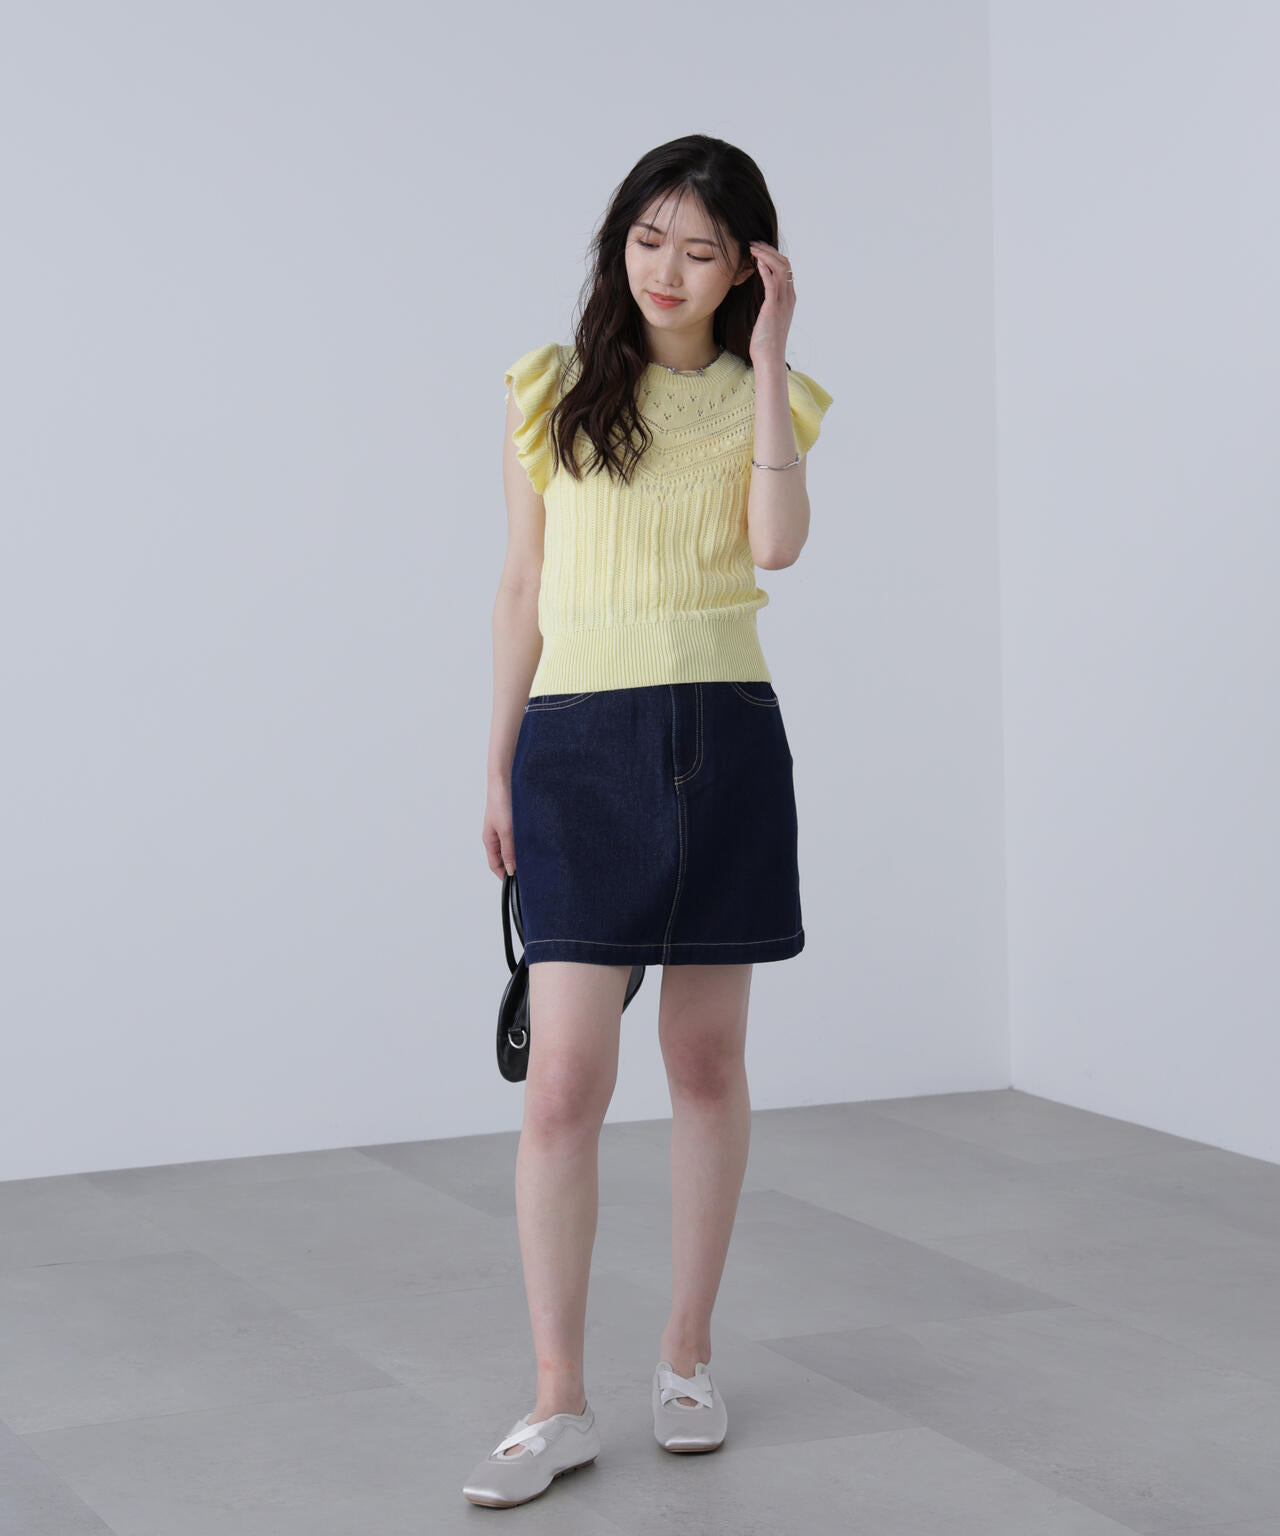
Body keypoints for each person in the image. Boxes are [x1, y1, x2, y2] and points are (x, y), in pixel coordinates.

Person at [468, 133, 833, 1509]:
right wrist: (499, 765)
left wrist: (773, 356)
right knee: (564, 1080)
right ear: (617, 241)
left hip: (723, 737)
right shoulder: (551, 392)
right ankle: (556, 1397)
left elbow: (777, 547)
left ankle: (686, 1356)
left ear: (745, 268)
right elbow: (521, 590)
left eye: (699, 249)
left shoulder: (764, 399)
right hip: (578, 745)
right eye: (646, 239)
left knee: (704, 1063)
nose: (666, 270)